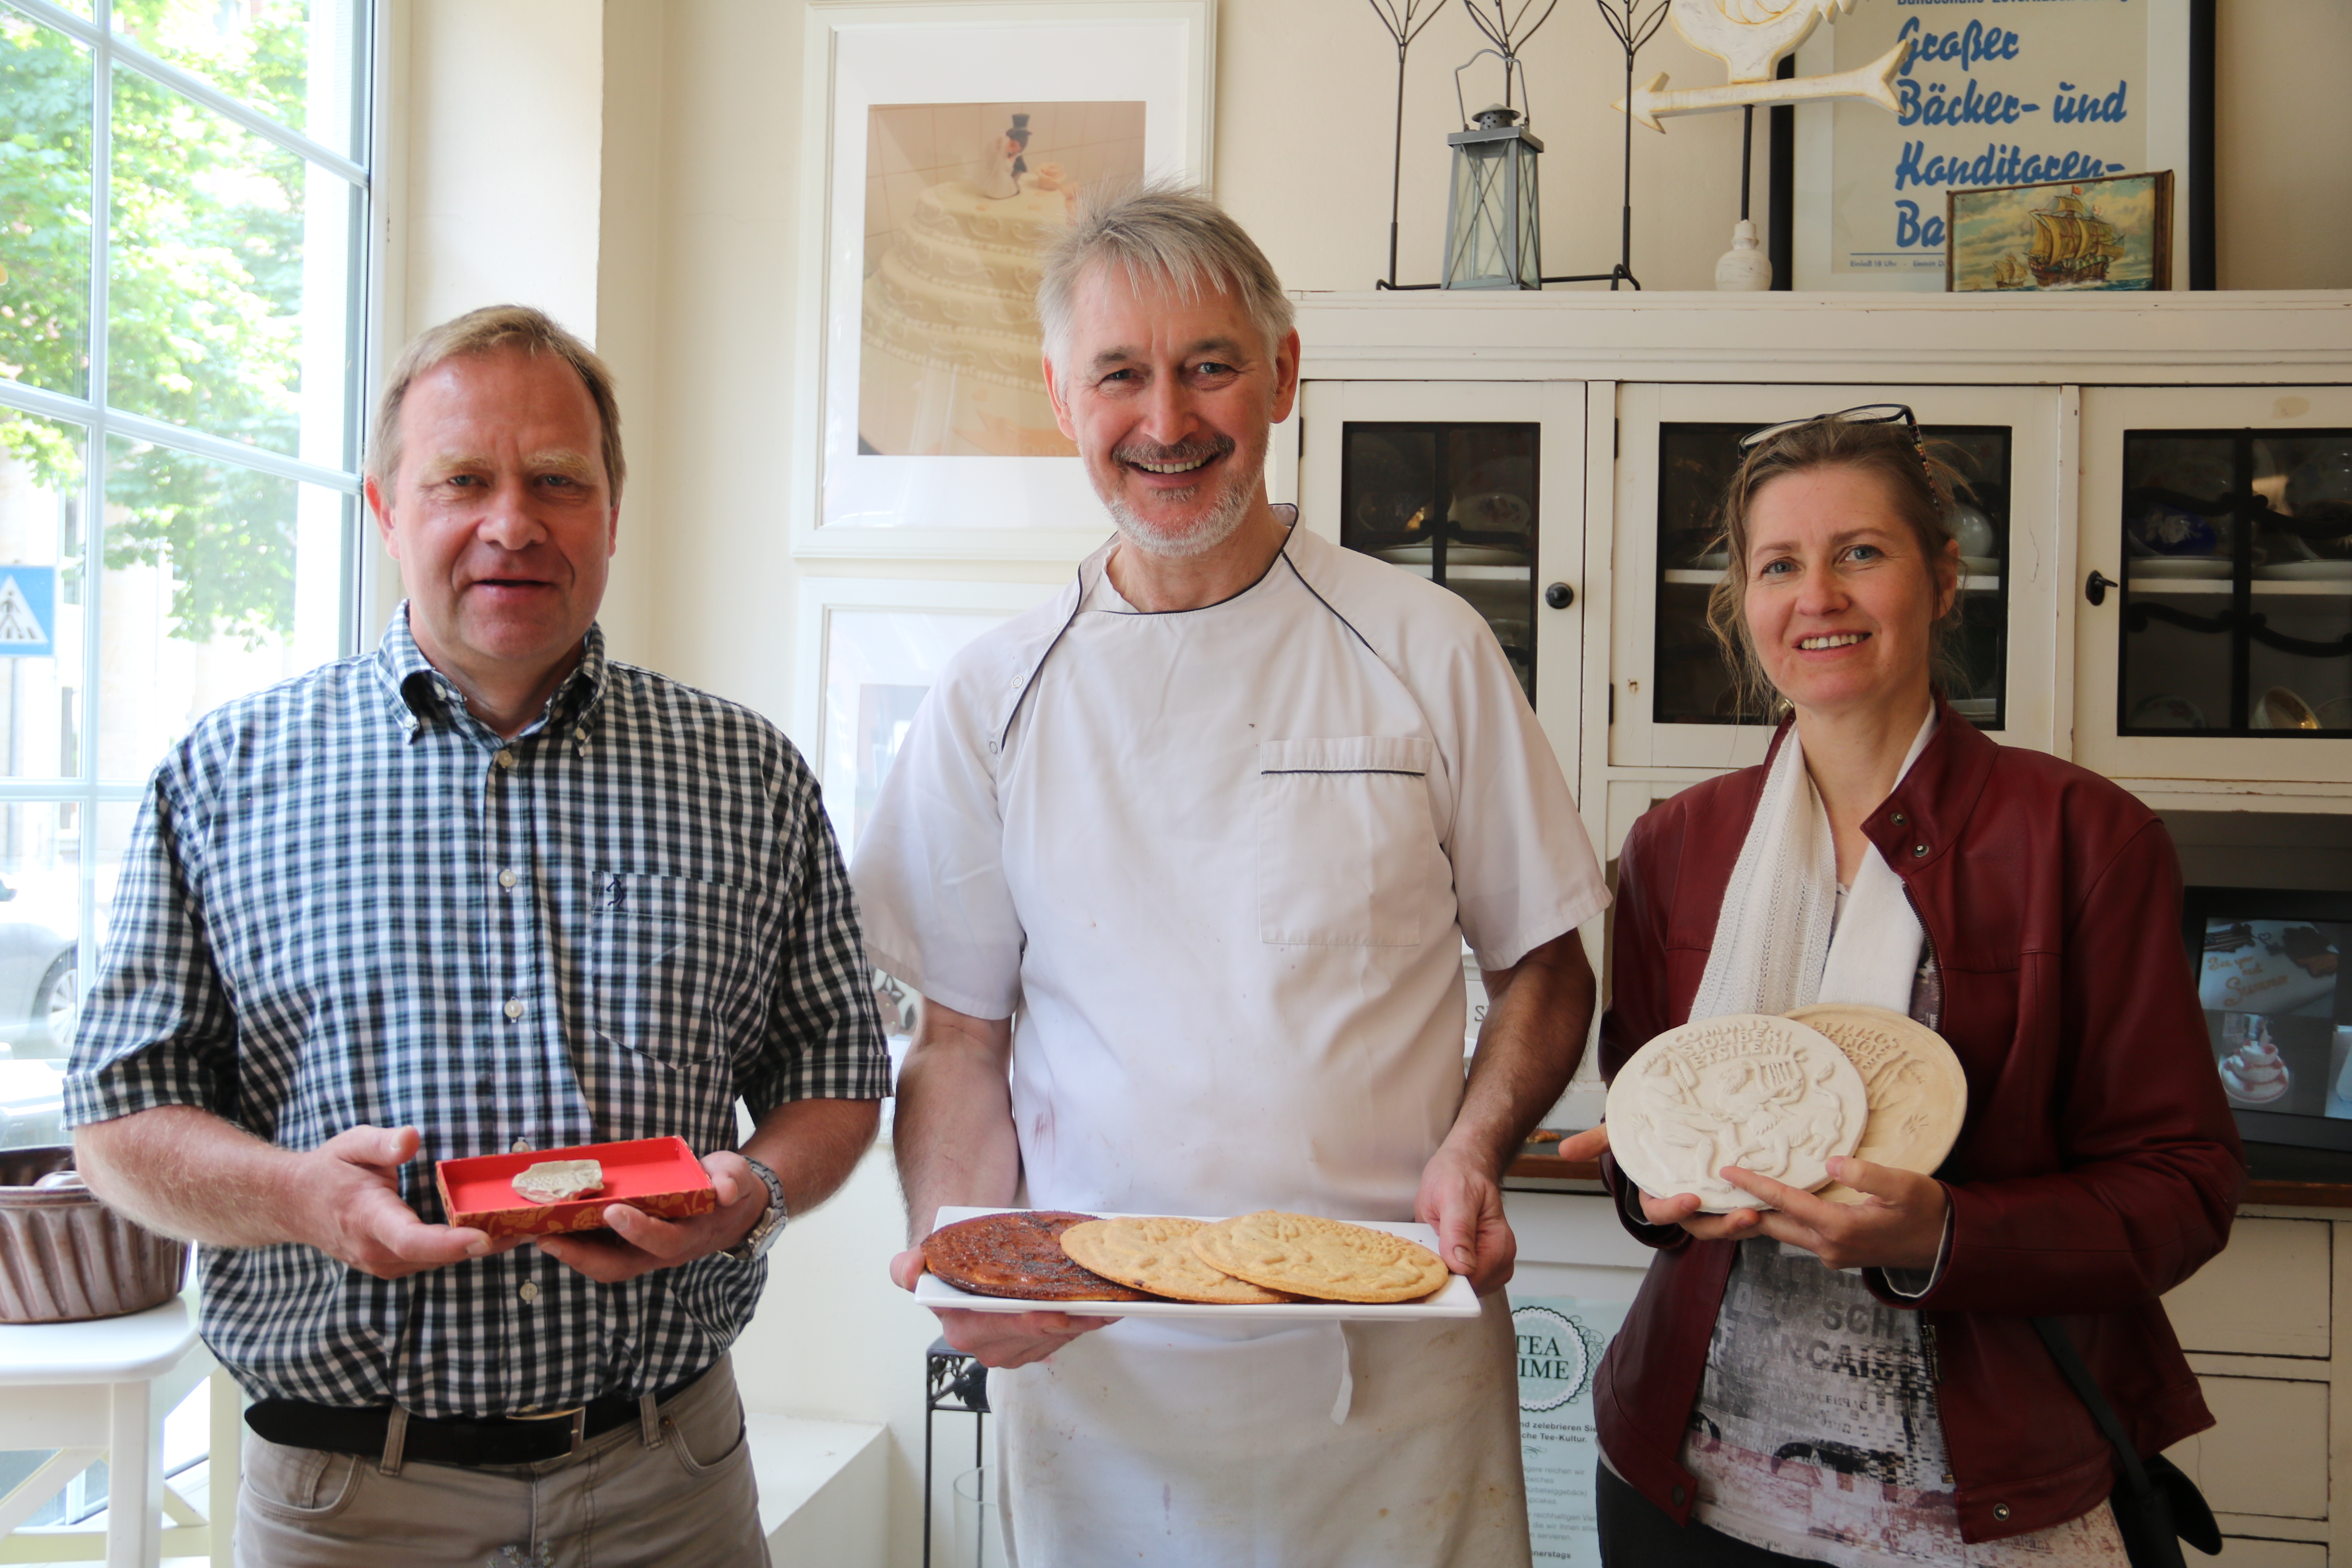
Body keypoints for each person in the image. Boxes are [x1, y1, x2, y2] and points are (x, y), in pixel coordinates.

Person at [850, 185, 1610, 1567]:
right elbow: (959, 1040)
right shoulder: (992, 695)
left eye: (1209, 366)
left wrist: (1475, 1146)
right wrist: (961, 1253)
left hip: (1390, 1375)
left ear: (1284, 375)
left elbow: (1548, 965)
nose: (1167, 422)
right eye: (1120, 376)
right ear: (1060, 396)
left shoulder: (1424, 646)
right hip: (1100, 1384)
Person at [65, 305, 889, 1568]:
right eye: (463, 480)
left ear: (613, 510)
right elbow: (121, 1121)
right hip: (348, 1502)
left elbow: (833, 1071)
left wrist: (754, 1195)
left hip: (673, 1484)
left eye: (559, 480)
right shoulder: (225, 776)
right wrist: (300, 1197)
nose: (515, 523)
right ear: (386, 510)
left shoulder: (747, 774)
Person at [1558, 407, 2245, 1566]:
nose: (1817, 595)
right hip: (1687, 1487)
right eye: (1781, 564)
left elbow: (2184, 1184)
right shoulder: (1677, 845)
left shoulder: (2085, 838)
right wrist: (1645, 1175)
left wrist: (1945, 1233)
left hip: (1982, 1514)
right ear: (1744, 601)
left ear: (1943, 578)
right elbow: (1658, 1118)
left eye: (1861, 553)